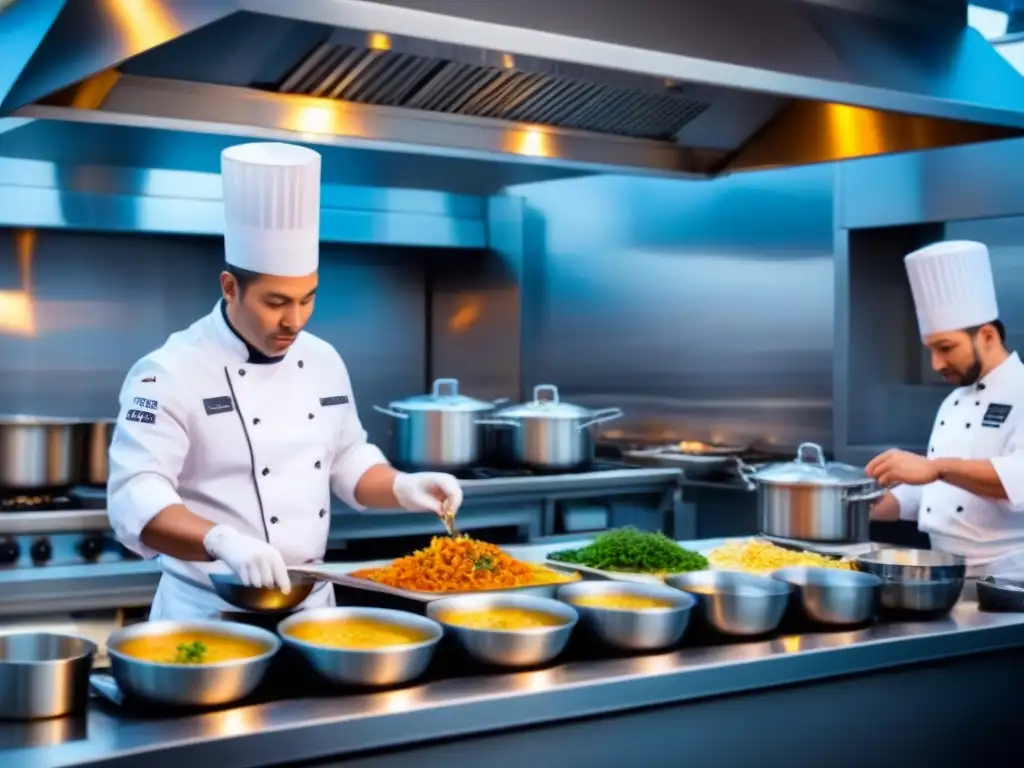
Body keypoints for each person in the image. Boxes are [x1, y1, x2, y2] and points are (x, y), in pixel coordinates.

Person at [107, 141, 463, 620]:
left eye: (308, 298)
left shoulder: (322, 359)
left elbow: (347, 460)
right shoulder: (168, 372)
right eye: (276, 302)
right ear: (230, 287)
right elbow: (136, 496)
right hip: (209, 612)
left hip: (312, 610)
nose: (295, 321)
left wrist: (403, 486)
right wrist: (221, 541)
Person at [866, 240, 1024, 576]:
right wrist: (873, 504)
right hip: (945, 574)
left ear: (987, 336)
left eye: (946, 347)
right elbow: (938, 491)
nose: (936, 363)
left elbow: (1017, 479)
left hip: (1011, 584)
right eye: (931, 349)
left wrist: (936, 467)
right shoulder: (953, 402)